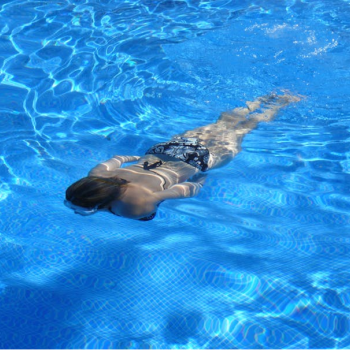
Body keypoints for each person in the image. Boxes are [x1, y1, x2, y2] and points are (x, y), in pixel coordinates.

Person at [65, 93, 300, 221]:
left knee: (244, 129)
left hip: (196, 161)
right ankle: (261, 98)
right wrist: (138, 156)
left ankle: (283, 102)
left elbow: (179, 191)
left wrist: (198, 183)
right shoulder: (96, 174)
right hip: (165, 150)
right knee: (224, 122)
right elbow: (118, 157)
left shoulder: (133, 206)